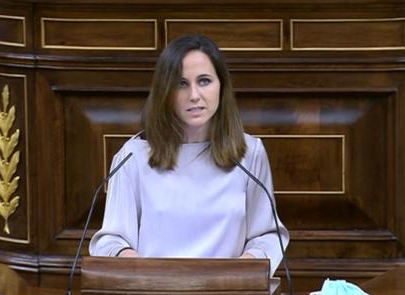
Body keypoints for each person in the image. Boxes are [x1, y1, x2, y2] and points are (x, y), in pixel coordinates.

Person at [89, 34, 289, 276]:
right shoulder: (133, 156)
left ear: (221, 86)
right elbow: (111, 241)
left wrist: (241, 271)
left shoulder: (249, 154)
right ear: (165, 91)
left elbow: (267, 236)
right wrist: (140, 269)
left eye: (204, 81)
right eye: (181, 84)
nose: (194, 95)